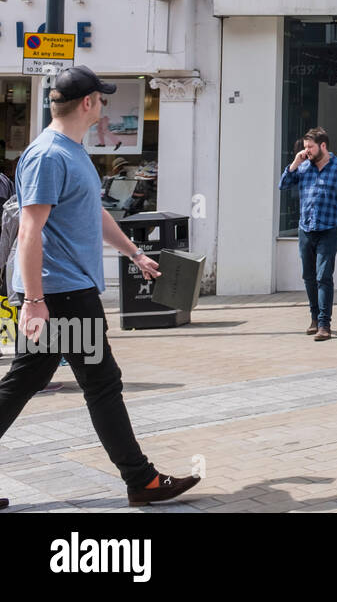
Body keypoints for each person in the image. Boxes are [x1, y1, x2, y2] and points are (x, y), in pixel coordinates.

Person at [0, 66, 200, 508]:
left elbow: (94, 215)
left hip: (63, 292)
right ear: (88, 103)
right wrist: (33, 302)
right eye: (102, 98)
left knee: (29, 381)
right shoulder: (49, 155)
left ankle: (141, 479)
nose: (104, 105)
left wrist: (134, 253)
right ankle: (141, 480)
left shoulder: (72, 152)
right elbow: (30, 232)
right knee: (101, 384)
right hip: (60, 295)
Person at [280, 126, 337, 340]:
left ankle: (325, 324)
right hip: (306, 229)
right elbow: (283, 185)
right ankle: (314, 318)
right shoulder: (304, 166)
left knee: (323, 276)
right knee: (308, 277)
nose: (306, 151)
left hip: (329, 229)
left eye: (310, 147)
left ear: (322, 146)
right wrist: (295, 162)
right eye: (305, 147)